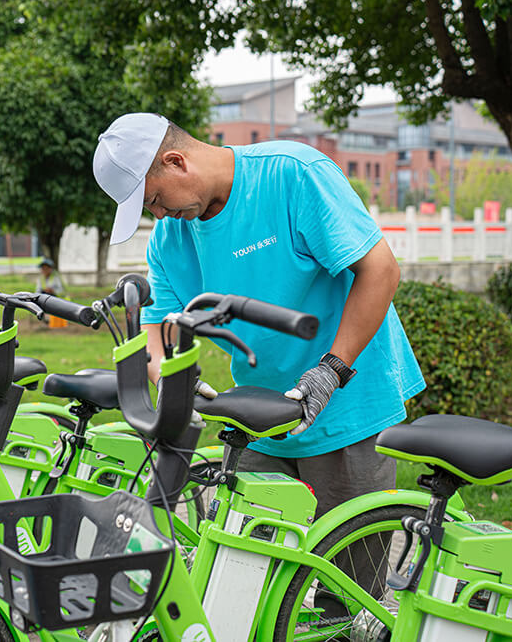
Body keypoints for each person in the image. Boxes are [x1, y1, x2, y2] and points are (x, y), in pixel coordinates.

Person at [93, 112, 425, 606]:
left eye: (155, 201)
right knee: (241, 575)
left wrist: (330, 371)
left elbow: (379, 270)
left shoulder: (291, 175)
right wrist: (167, 376)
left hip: (347, 400)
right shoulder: (171, 238)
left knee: (351, 593)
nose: (158, 217)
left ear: (176, 161)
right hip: (263, 413)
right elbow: (157, 325)